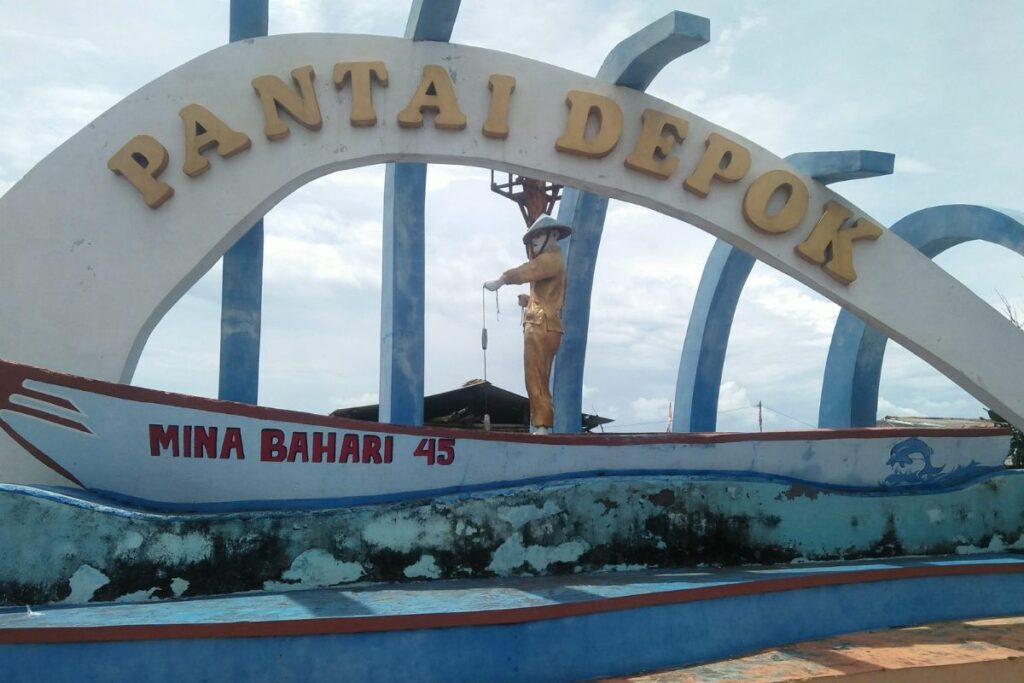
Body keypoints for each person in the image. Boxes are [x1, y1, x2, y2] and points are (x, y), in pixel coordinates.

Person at [484, 215, 571, 434]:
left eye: (538, 235)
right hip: (547, 322)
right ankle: (541, 424)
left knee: (535, 376)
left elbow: (527, 270)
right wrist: (528, 299)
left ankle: (542, 425)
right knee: (538, 375)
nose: (533, 241)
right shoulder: (554, 262)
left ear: (553, 235)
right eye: (532, 236)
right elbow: (552, 294)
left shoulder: (550, 259)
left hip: (540, 323)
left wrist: (501, 280)